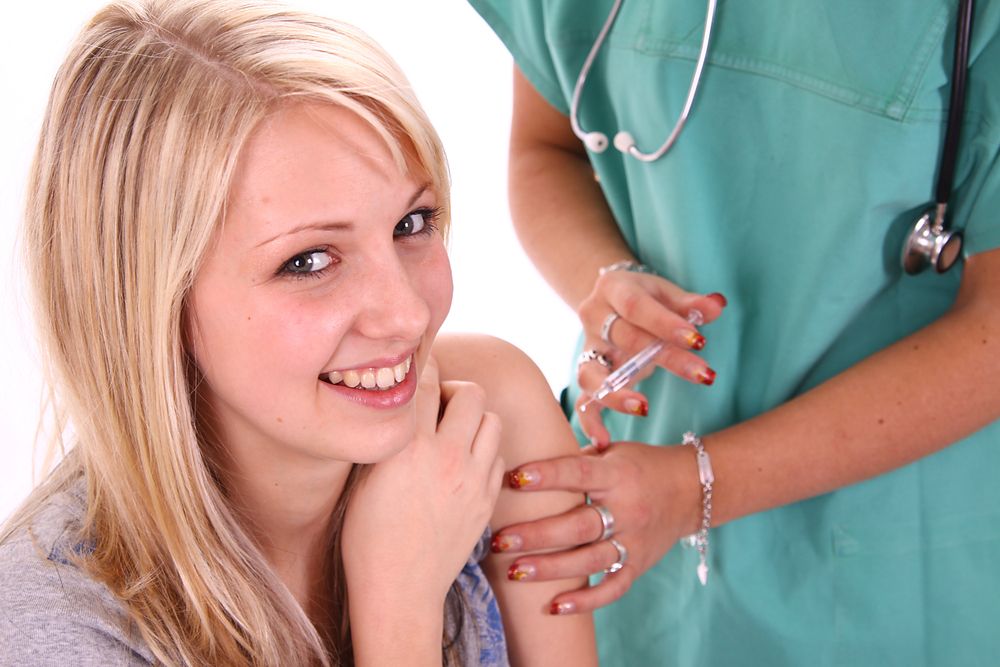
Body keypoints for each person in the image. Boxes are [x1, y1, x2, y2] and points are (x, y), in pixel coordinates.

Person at [0, 1, 599, 664]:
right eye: (309, 261)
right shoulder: (51, 629)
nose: (407, 315)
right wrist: (398, 600)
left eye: (411, 224)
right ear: (146, 303)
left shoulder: (490, 419)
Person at [467, 1, 1000, 665]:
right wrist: (606, 284)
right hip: (626, 510)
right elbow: (545, 149)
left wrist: (692, 487)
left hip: (881, 559)